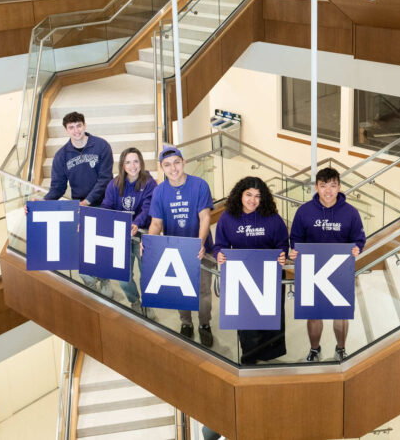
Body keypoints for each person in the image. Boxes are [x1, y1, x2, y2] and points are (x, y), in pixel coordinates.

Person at [289, 167, 366, 361]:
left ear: (339, 187)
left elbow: (359, 239)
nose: (328, 191)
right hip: (311, 269)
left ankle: (341, 348)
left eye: (333, 186)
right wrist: (294, 250)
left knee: (340, 314)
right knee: (314, 314)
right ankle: (315, 349)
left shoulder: (351, 212)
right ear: (316, 187)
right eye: (323, 186)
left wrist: (357, 248)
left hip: (339, 270)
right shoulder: (304, 211)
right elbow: (296, 238)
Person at [214, 176, 289, 365]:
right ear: (240, 195)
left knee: (268, 317)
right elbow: (220, 245)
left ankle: (267, 354)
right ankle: (249, 356)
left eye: (257, 196)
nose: (252, 200)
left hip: (268, 274)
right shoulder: (228, 217)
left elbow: (282, 244)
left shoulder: (272, 218)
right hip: (241, 275)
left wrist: (282, 254)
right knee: (246, 321)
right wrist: (219, 254)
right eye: (248, 195)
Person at [148, 145, 215, 347]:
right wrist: (151, 243)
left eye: (177, 162)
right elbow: (156, 223)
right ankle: (186, 323)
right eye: (167, 165)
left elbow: (205, 218)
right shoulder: (159, 191)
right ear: (162, 168)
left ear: (184, 162)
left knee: (203, 292)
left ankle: (204, 324)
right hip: (175, 250)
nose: (173, 168)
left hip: (201, 249)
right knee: (181, 290)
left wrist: (199, 243)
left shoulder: (200, 185)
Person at [44, 111, 113, 297]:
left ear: (84, 125)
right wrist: (42, 204)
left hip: (102, 203)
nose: (76, 130)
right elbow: (57, 187)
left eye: (79, 126)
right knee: (82, 248)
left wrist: (88, 201)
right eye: (71, 127)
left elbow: (105, 178)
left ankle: (105, 280)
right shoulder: (61, 156)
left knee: (101, 247)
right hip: (79, 205)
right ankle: (91, 279)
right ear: (66, 130)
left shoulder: (101, 146)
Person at [100, 147, 155, 313]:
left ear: (141, 163)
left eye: (136, 161)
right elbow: (107, 206)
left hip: (142, 235)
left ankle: (147, 304)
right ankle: (135, 301)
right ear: (123, 165)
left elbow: (147, 208)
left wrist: (136, 223)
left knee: (146, 275)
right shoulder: (114, 184)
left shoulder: (149, 183)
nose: (132, 166)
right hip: (121, 236)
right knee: (122, 277)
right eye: (128, 162)